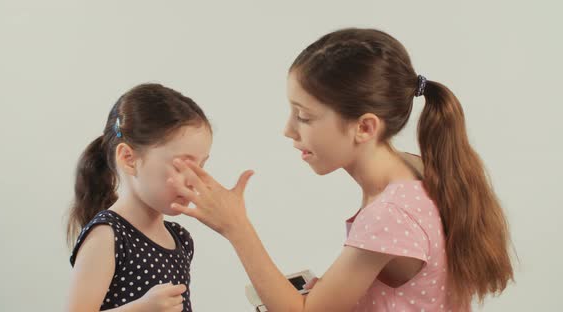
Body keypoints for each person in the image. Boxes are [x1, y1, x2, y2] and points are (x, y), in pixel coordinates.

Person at [169, 28, 514, 311]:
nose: (289, 130)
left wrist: (236, 226)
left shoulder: (390, 213)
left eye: (304, 117)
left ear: (364, 128)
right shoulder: (414, 170)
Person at [65, 83, 212, 312]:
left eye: (201, 166)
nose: (195, 180)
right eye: (182, 166)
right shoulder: (108, 236)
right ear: (128, 159)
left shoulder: (180, 239)